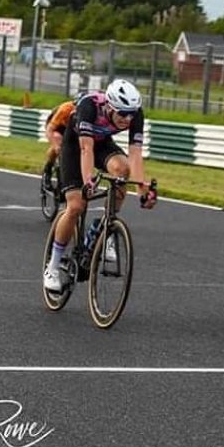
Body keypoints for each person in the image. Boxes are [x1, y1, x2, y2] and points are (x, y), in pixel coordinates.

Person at [43, 79, 158, 292]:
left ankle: (105, 227)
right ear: (109, 107)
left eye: (132, 113)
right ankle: (52, 267)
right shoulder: (89, 106)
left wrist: (142, 190)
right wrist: (88, 182)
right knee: (76, 206)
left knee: (122, 171)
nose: (128, 118)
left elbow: (135, 155)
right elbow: (86, 150)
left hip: (102, 142)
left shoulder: (134, 114)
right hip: (75, 144)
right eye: (123, 114)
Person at [41, 93, 85, 189]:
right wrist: (55, 145)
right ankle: (48, 169)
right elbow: (50, 130)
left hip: (72, 128)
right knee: (58, 143)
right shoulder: (65, 109)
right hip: (58, 126)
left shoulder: (89, 112)